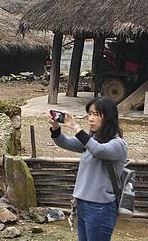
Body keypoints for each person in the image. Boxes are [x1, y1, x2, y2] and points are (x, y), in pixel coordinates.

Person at [48, 97, 127, 241]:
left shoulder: (118, 145)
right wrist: (56, 128)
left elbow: (98, 150)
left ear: (108, 118)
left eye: (96, 114)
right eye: (90, 113)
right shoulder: (91, 140)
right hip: (83, 204)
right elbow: (64, 142)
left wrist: (76, 127)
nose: (91, 119)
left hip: (101, 207)